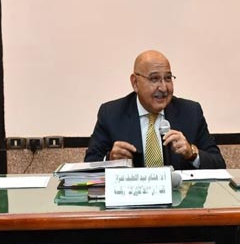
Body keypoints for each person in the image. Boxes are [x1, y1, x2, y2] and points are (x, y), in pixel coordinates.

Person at [85, 50, 225, 170]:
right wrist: (110, 158)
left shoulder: (191, 112)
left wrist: (192, 153)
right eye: (155, 79)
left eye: (168, 78)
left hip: (180, 199)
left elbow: (219, 164)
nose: (164, 88)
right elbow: (89, 164)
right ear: (135, 83)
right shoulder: (111, 114)